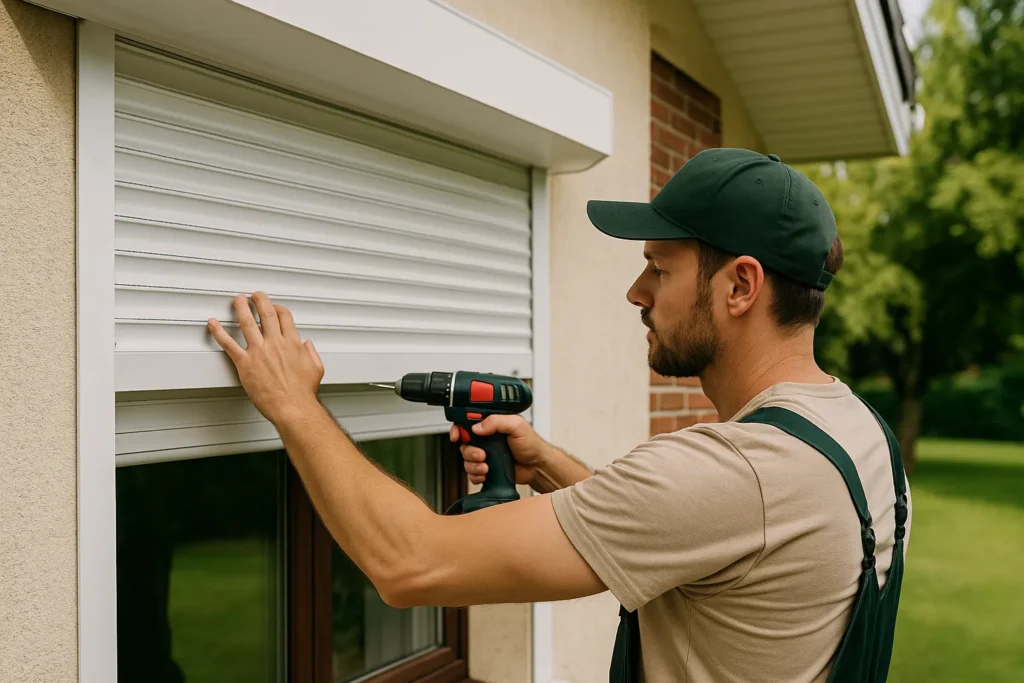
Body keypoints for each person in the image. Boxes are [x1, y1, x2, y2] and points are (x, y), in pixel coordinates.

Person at [208, 148, 912, 682]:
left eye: (660, 268)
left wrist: (294, 405)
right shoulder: (858, 435)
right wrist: (545, 464)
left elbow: (410, 564)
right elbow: (703, 529)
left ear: (741, 285)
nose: (636, 292)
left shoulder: (734, 471)